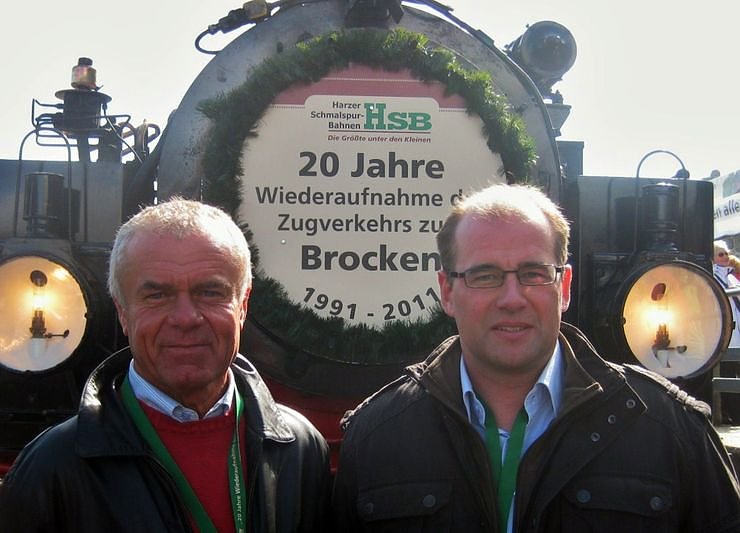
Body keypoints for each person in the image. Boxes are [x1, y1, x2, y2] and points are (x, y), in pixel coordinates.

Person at [332, 183, 740, 532]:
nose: (512, 299)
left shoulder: (670, 429)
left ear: (564, 287)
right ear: (447, 291)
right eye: (485, 276)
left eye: (533, 274)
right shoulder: (374, 438)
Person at [0, 198, 331, 532]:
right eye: (157, 296)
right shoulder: (50, 469)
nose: (185, 318)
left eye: (210, 292)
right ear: (123, 313)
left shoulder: (301, 449)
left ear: (242, 306)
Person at [714, 239, 740, 348]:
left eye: (726, 253)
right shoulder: (712, 277)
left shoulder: (730, 277)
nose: (725, 256)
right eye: (721, 254)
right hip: (724, 331)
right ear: (713, 258)